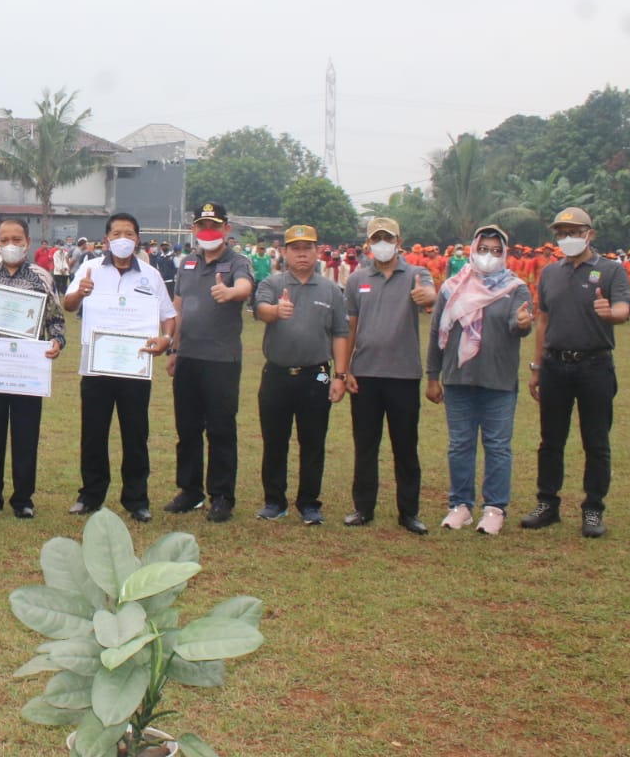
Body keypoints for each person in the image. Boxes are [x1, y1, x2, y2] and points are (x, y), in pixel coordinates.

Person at [523, 207, 630, 538]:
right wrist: (537, 367)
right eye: (561, 233)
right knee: (550, 440)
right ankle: (547, 503)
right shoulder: (550, 273)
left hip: (594, 366)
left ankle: (593, 508)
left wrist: (611, 313)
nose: (567, 238)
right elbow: (543, 320)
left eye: (574, 232)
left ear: (590, 234)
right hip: (555, 365)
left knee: (596, 441)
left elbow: (623, 308)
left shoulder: (611, 270)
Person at [62, 212, 176, 521]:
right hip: (96, 366)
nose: (122, 239)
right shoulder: (89, 269)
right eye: (116, 234)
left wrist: (166, 338)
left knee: (135, 434)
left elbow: (168, 315)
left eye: (129, 234)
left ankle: (137, 499)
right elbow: (68, 304)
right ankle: (90, 495)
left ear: (137, 239)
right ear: (106, 239)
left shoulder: (151, 275)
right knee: (93, 433)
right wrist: (80, 292)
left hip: (134, 367)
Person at [427, 225, 534, 535]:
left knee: (497, 446)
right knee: (460, 444)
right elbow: (436, 332)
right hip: (458, 379)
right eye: (484, 249)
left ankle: (494, 508)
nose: (489, 255)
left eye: (496, 250)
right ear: (473, 249)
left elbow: (518, 323)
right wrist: (432, 376)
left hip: (499, 381)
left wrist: (523, 323)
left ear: (505, 253)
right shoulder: (451, 287)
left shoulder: (515, 288)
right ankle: (460, 505)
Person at [0, 217, 65, 518]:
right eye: (4, 240)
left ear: (27, 243)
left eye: (17, 240)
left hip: (27, 370)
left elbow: (56, 319)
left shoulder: (42, 278)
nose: (10, 245)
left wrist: (57, 342)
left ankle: (23, 500)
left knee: (25, 436)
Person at [342, 217, 436, 535]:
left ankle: (408, 512)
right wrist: (345, 369)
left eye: (388, 238)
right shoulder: (357, 279)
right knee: (365, 445)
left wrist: (428, 297)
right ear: (368, 244)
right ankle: (363, 508)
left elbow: (430, 295)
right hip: (364, 374)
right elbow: (350, 326)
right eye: (376, 239)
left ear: (399, 241)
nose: (382, 244)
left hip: (403, 374)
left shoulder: (416, 274)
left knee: (405, 446)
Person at [251, 225, 350, 525]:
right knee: (274, 440)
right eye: (295, 248)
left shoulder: (330, 290)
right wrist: (275, 311)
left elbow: (340, 333)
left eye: (308, 248)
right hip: (277, 374)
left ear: (317, 251)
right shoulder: (272, 283)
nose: (302, 254)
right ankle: (274, 501)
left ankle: (309, 503)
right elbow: (260, 309)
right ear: (284, 252)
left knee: (313, 441)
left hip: (316, 375)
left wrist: (340, 375)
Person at [166, 202, 255, 523]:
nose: (208, 231)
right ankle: (190, 491)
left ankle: (221, 496)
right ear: (194, 229)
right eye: (202, 226)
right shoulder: (187, 263)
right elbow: (177, 308)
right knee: (187, 428)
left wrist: (231, 293)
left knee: (220, 428)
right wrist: (174, 350)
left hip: (221, 360)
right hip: (188, 357)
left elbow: (245, 286)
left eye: (214, 226)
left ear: (226, 229)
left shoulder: (237, 262)